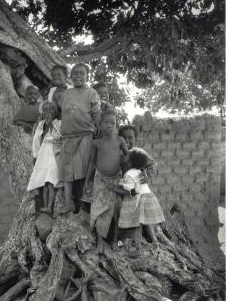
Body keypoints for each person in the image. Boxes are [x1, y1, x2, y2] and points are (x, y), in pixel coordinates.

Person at [59, 63, 101, 214]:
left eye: (81, 73)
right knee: (67, 171)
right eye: (75, 73)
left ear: (87, 76)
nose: (78, 76)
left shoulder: (91, 93)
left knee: (84, 172)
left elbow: (96, 113)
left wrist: (100, 128)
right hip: (68, 137)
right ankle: (69, 203)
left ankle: (84, 204)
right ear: (70, 76)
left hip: (85, 136)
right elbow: (60, 112)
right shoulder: (66, 93)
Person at [85, 109, 129, 252]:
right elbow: (92, 163)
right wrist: (87, 182)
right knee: (98, 210)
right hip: (100, 180)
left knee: (116, 212)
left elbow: (129, 158)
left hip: (116, 180)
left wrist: (134, 174)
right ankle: (100, 241)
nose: (109, 125)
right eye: (106, 122)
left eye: (113, 123)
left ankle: (115, 240)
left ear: (116, 125)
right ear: (100, 124)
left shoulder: (120, 141)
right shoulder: (96, 143)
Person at [110, 148, 165, 252]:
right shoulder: (139, 171)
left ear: (130, 162)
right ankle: (153, 244)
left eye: (128, 156)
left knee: (130, 223)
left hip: (135, 200)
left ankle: (126, 244)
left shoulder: (130, 173)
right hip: (145, 197)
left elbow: (127, 190)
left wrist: (114, 188)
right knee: (141, 223)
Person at [27, 101, 62, 215]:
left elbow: (60, 136)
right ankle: (44, 206)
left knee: (51, 182)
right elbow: (36, 140)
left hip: (54, 156)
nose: (47, 113)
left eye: (50, 110)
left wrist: (52, 125)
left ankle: (50, 206)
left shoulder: (59, 124)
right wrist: (35, 155)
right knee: (44, 183)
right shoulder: (41, 125)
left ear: (55, 112)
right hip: (44, 156)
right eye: (45, 111)